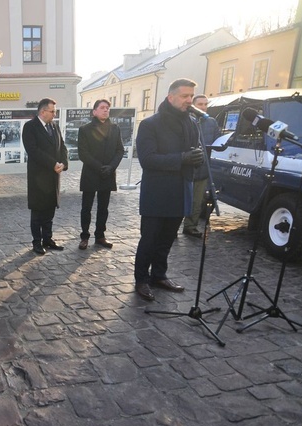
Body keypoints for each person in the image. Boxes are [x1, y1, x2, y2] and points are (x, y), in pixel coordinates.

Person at [134, 78, 205, 301]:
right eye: (184, 96)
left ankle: (159, 275)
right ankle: (141, 279)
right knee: (150, 239)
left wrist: (197, 158)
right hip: (157, 193)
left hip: (181, 190)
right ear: (170, 97)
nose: (188, 101)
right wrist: (182, 158)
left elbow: (193, 151)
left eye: (191, 97)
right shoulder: (150, 124)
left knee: (167, 239)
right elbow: (147, 160)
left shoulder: (191, 123)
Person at [22, 98, 69, 255]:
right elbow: (33, 150)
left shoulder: (53, 126)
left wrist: (63, 163)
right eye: (52, 111)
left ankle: (47, 239)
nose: (55, 114)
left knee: (49, 211)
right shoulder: (30, 127)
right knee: (37, 212)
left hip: (53, 177)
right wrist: (53, 163)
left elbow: (62, 146)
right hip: (38, 178)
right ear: (43, 112)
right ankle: (36, 242)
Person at [77, 99, 124, 250]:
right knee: (86, 207)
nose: (106, 110)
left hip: (108, 174)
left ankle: (100, 236)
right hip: (91, 173)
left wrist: (110, 167)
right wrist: (99, 167)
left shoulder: (115, 128)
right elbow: (83, 153)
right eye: (102, 108)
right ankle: (84, 236)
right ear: (94, 111)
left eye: (108, 108)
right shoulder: (85, 129)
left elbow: (120, 150)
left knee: (103, 208)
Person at [182, 94, 221, 238]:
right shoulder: (186, 121)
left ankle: (190, 226)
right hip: (186, 167)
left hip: (203, 168)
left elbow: (217, 140)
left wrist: (224, 143)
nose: (204, 107)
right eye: (200, 104)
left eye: (205, 104)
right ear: (193, 106)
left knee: (198, 200)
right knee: (181, 198)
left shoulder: (211, 122)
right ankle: (172, 227)